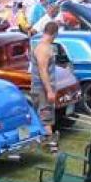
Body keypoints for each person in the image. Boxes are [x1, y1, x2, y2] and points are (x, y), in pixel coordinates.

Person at [29, 21, 60, 151]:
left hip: (43, 88)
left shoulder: (46, 47)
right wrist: (49, 91)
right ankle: (51, 145)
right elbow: (43, 71)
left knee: (41, 115)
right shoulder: (43, 48)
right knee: (45, 115)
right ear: (55, 33)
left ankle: (40, 140)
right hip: (41, 88)